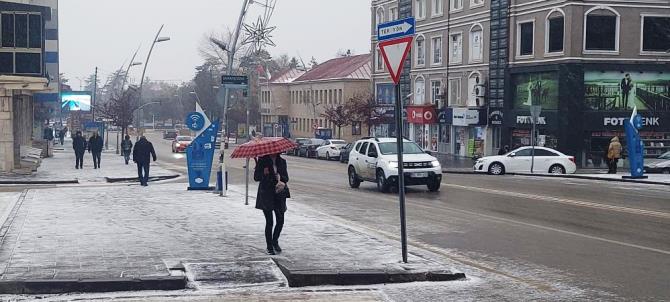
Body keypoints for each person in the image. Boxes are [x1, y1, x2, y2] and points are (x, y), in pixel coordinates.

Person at [254, 153, 290, 255]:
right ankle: (269, 246)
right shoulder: (262, 161)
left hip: (279, 194)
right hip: (267, 194)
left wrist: (280, 177)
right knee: (269, 222)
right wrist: (264, 173)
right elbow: (256, 177)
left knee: (280, 221)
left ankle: (275, 241)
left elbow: (286, 178)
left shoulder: (282, 162)